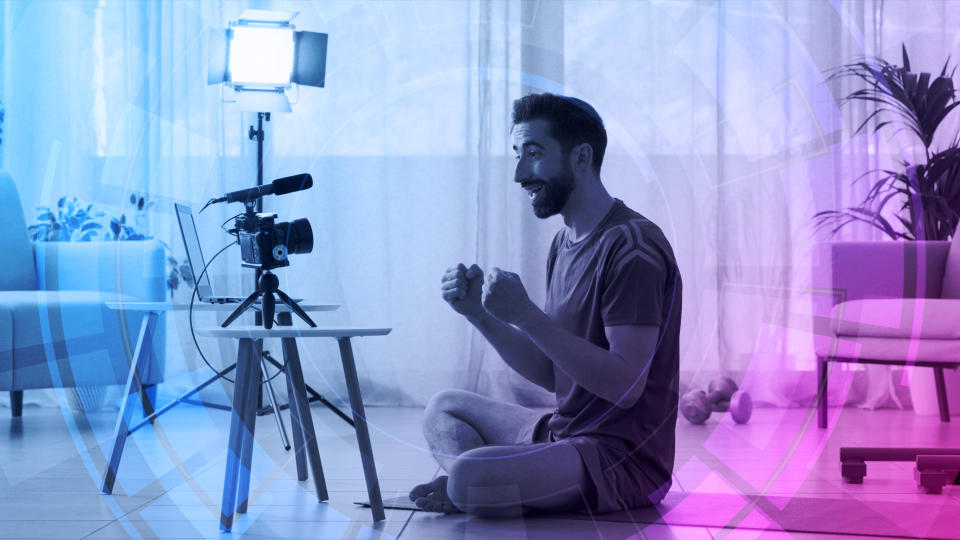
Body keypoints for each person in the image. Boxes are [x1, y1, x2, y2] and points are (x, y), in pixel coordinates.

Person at [410, 93, 681, 517]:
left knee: (470, 475)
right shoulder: (563, 244)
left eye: (533, 155)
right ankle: (485, 487)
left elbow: (626, 389)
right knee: (443, 408)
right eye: (517, 155)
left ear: (581, 158)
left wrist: (526, 315)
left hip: (619, 461)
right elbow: (554, 374)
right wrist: (479, 315)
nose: (519, 173)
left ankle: (477, 486)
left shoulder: (633, 248)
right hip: (564, 433)